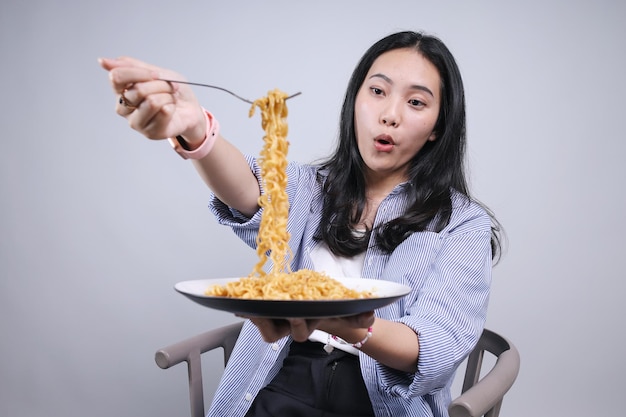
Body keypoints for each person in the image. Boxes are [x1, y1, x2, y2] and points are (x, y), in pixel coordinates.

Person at [100, 30, 502, 417]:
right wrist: (195, 128)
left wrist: (349, 325)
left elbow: (435, 346)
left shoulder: (462, 224)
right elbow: (246, 189)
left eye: (416, 103)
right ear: (355, 101)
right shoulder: (310, 188)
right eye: (377, 91)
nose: (390, 115)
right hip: (281, 378)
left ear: (437, 128)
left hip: (383, 400)